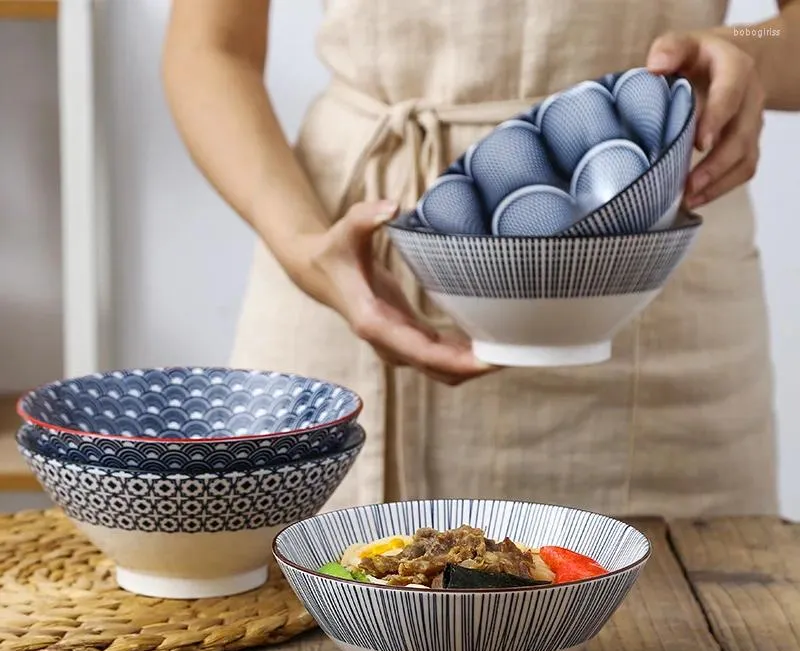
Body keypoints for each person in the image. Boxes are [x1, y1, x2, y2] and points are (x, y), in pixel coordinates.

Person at [162, 0, 800, 518]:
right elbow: (211, 47)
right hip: (339, 261)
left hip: (651, 284)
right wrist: (304, 247)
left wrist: (748, 47)